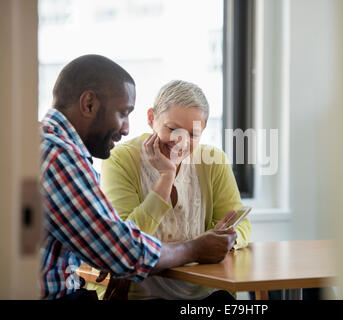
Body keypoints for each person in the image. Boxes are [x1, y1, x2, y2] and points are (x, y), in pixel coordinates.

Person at [39, 55, 237, 300]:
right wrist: (195, 248)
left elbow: (106, 246)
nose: (126, 128)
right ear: (88, 104)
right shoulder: (61, 156)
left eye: (193, 134)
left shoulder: (50, 145)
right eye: (122, 113)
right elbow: (121, 253)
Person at [88, 80, 252, 300]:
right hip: (144, 295)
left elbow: (242, 226)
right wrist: (166, 177)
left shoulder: (213, 161)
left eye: (193, 134)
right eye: (173, 129)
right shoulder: (121, 160)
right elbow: (125, 240)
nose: (180, 142)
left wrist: (226, 238)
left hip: (204, 293)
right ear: (151, 119)